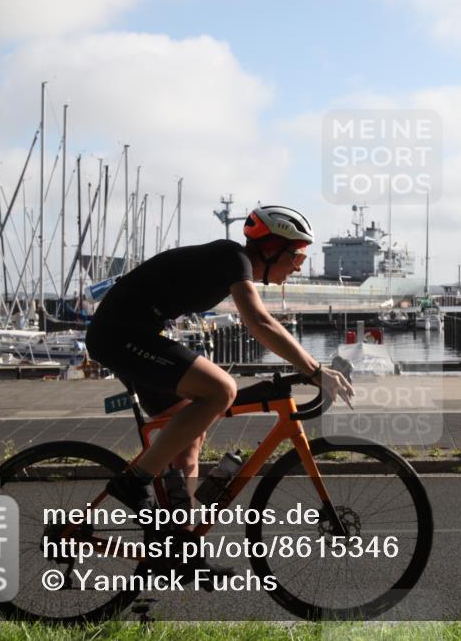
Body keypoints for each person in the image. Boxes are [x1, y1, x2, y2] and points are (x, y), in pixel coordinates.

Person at [84, 206, 353, 568]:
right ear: (271, 248)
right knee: (221, 390)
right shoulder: (232, 258)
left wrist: (310, 369)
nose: (299, 267)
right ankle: (135, 481)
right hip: (120, 335)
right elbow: (260, 322)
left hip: (133, 333)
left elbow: (261, 323)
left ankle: (178, 547)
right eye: (297, 255)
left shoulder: (232, 265)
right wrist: (315, 370)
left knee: (189, 438)